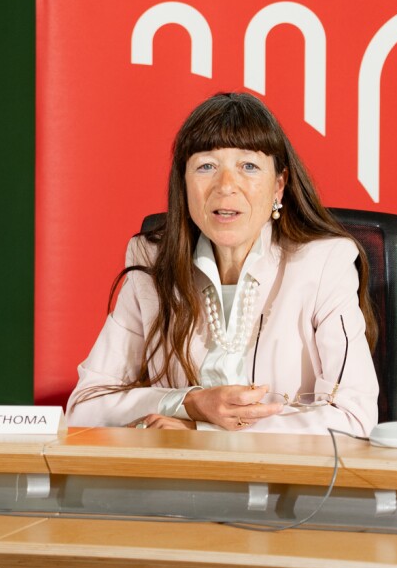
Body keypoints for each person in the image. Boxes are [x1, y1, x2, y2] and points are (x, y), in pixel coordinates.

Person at [66, 92, 378, 435]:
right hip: (172, 481)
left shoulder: (323, 263)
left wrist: (205, 432)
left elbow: (354, 417)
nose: (226, 186)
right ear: (183, 185)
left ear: (279, 184)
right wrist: (189, 402)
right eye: (206, 167)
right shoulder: (152, 262)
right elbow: (85, 407)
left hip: (289, 482)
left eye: (248, 166)